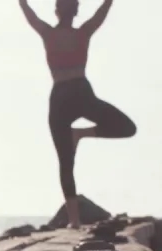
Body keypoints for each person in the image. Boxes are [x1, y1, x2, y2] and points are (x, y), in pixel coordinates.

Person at [19, 0, 136, 229]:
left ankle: (74, 220)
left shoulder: (48, 33)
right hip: (81, 93)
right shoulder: (82, 32)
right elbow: (102, 13)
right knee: (126, 128)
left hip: (62, 95)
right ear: (75, 11)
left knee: (65, 161)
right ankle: (81, 134)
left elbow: (28, 13)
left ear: (56, 11)